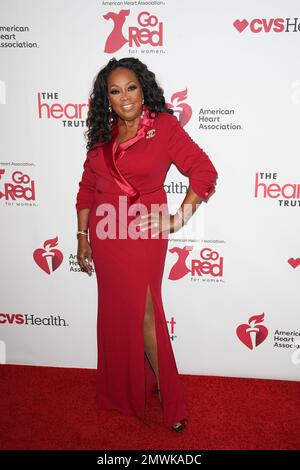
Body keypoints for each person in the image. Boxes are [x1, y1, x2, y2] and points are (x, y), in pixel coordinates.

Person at [75, 57, 218, 432]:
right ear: (106, 99)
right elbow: (87, 189)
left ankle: (172, 400)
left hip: (142, 230)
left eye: (131, 88)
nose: (125, 98)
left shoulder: (164, 126)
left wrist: (178, 217)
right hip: (106, 236)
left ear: (144, 90)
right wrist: (82, 236)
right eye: (115, 91)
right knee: (117, 313)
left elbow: (205, 171)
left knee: (146, 314)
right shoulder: (104, 134)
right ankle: (127, 389)